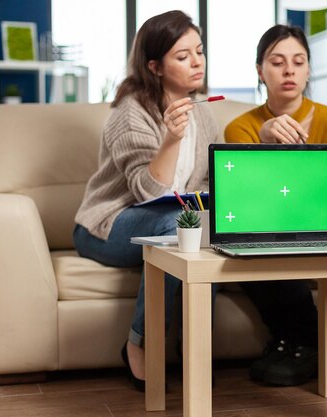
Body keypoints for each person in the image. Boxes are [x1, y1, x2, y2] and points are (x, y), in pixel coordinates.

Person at [73, 10, 220, 392]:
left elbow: (206, 188)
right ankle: (140, 342)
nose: (197, 62)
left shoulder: (204, 114)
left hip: (170, 219)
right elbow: (150, 194)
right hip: (107, 226)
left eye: (199, 51)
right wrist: (170, 139)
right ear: (155, 66)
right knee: (181, 225)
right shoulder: (130, 113)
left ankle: (196, 343)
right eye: (183, 56)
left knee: (208, 225)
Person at [224, 24, 327, 386]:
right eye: (277, 62)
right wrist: (262, 143)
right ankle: (296, 341)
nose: (289, 70)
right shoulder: (240, 127)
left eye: (299, 61)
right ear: (260, 71)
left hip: (318, 220)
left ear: (309, 69)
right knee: (251, 240)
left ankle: (300, 342)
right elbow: (248, 197)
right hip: (263, 223)